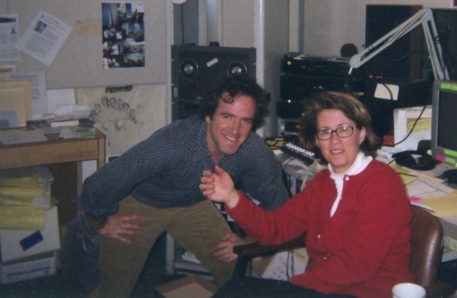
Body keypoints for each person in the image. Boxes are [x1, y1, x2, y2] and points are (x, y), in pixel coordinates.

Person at [78, 76, 289, 298]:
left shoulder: (253, 151)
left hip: (192, 204)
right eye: (227, 116)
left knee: (235, 266)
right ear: (209, 116)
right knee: (115, 291)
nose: (235, 130)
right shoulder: (172, 144)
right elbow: (99, 184)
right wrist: (100, 222)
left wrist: (246, 242)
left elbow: (280, 209)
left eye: (245, 121)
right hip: (141, 204)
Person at [201, 91, 413, 298]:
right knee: (236, 289)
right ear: (317, 141)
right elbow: (275, 229)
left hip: (365, 291)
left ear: (361, 134)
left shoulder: (382, 184)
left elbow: (357, 266)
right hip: (324, 288)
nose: (335, 140)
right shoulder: (321, 184)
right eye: (325, 132)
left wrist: (297, 286)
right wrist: (231, 197)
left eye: (344, 129)